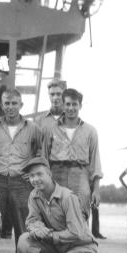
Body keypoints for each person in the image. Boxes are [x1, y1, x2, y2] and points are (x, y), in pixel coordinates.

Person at [16, 157, 103, 253]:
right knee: (25, 240)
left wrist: (50, 235)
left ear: (49, 174)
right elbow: (31, 221)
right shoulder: (35, 195)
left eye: (39, 174)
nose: (35, 179)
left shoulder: (67, 197)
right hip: (58, 246)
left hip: (82, 247)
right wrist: (37, 228)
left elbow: (76, 233)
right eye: (31, 176)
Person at [0, 88, 44, 248]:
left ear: (21, 104)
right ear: (1, 105)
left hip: (22, 183)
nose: (10, 107)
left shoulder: (32, 128)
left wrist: (34, 173)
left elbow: (42, 151)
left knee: (23, 228)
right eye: (7, 103)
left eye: (14, 103)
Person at [44, 88, 102, 220]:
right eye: (68, 104)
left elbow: (95, 160)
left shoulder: (90, 131)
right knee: (56, 216)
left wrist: (96, 190)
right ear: (63, 105)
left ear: (80, 105)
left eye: (74, 104)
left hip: (80, 175)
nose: (71, 108)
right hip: (56, 174)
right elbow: (44, 157)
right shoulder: (51, 129)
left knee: (80, 216)